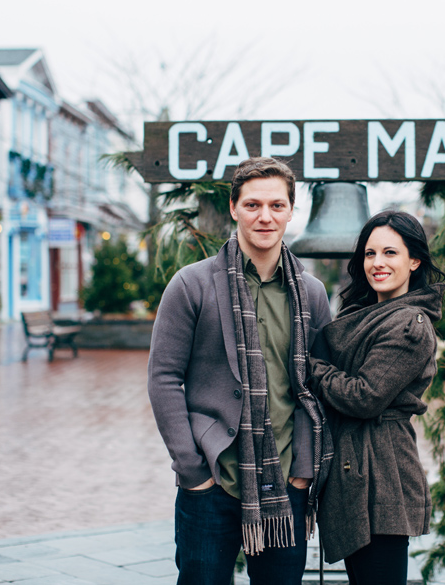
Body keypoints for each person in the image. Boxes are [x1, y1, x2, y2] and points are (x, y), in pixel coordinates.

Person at [147, 157, 333, 585]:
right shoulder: (191, 284)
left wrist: (304, 469)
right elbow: (163, 379)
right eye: (252, 205)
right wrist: (192, 471)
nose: (264, 216)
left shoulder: (312, 293)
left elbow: (317, 384)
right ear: (234, 208)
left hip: (286, 481)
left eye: (276, 205)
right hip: (211, 479)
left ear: (290, 210)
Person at [307, 211, 445, 585]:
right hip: (357, 468)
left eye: (390, 253)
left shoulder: (409, 324)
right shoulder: (366, 312)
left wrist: (310, 367)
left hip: (382, 473)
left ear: (414, 261)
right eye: (370, 254)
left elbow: (364, 396)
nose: (377, 263)